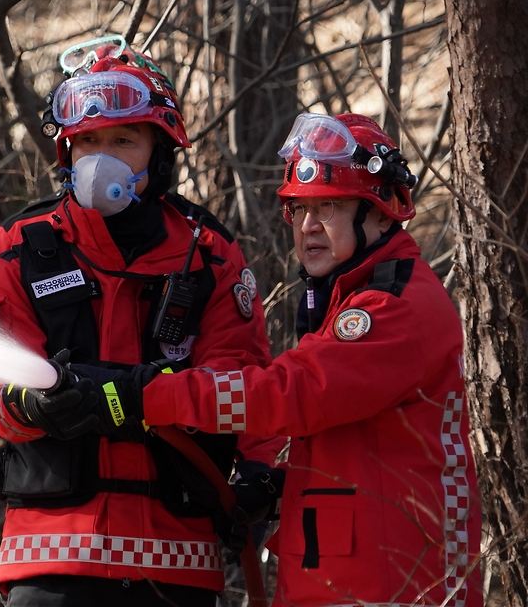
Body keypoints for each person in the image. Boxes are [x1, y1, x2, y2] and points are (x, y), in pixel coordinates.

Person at [69, 112, 484, 606]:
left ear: (380, 212)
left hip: (394, 587)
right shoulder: (348, 299)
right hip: (344, 581)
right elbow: (357, 452)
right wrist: (276, 484)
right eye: (298, 209)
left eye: (328, 206)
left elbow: (290, 393)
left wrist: (145, 395)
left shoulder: (393, 307)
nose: (308, 226)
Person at [0, 36, 283, 605]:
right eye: (88, 141)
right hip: (50, 555)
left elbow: (244, 382)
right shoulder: (21, 245)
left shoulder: (210, 254)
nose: (102, 158)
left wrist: (259, 472)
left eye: (123, 140)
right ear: (66, 153)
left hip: (177, 558)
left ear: (159, 151)